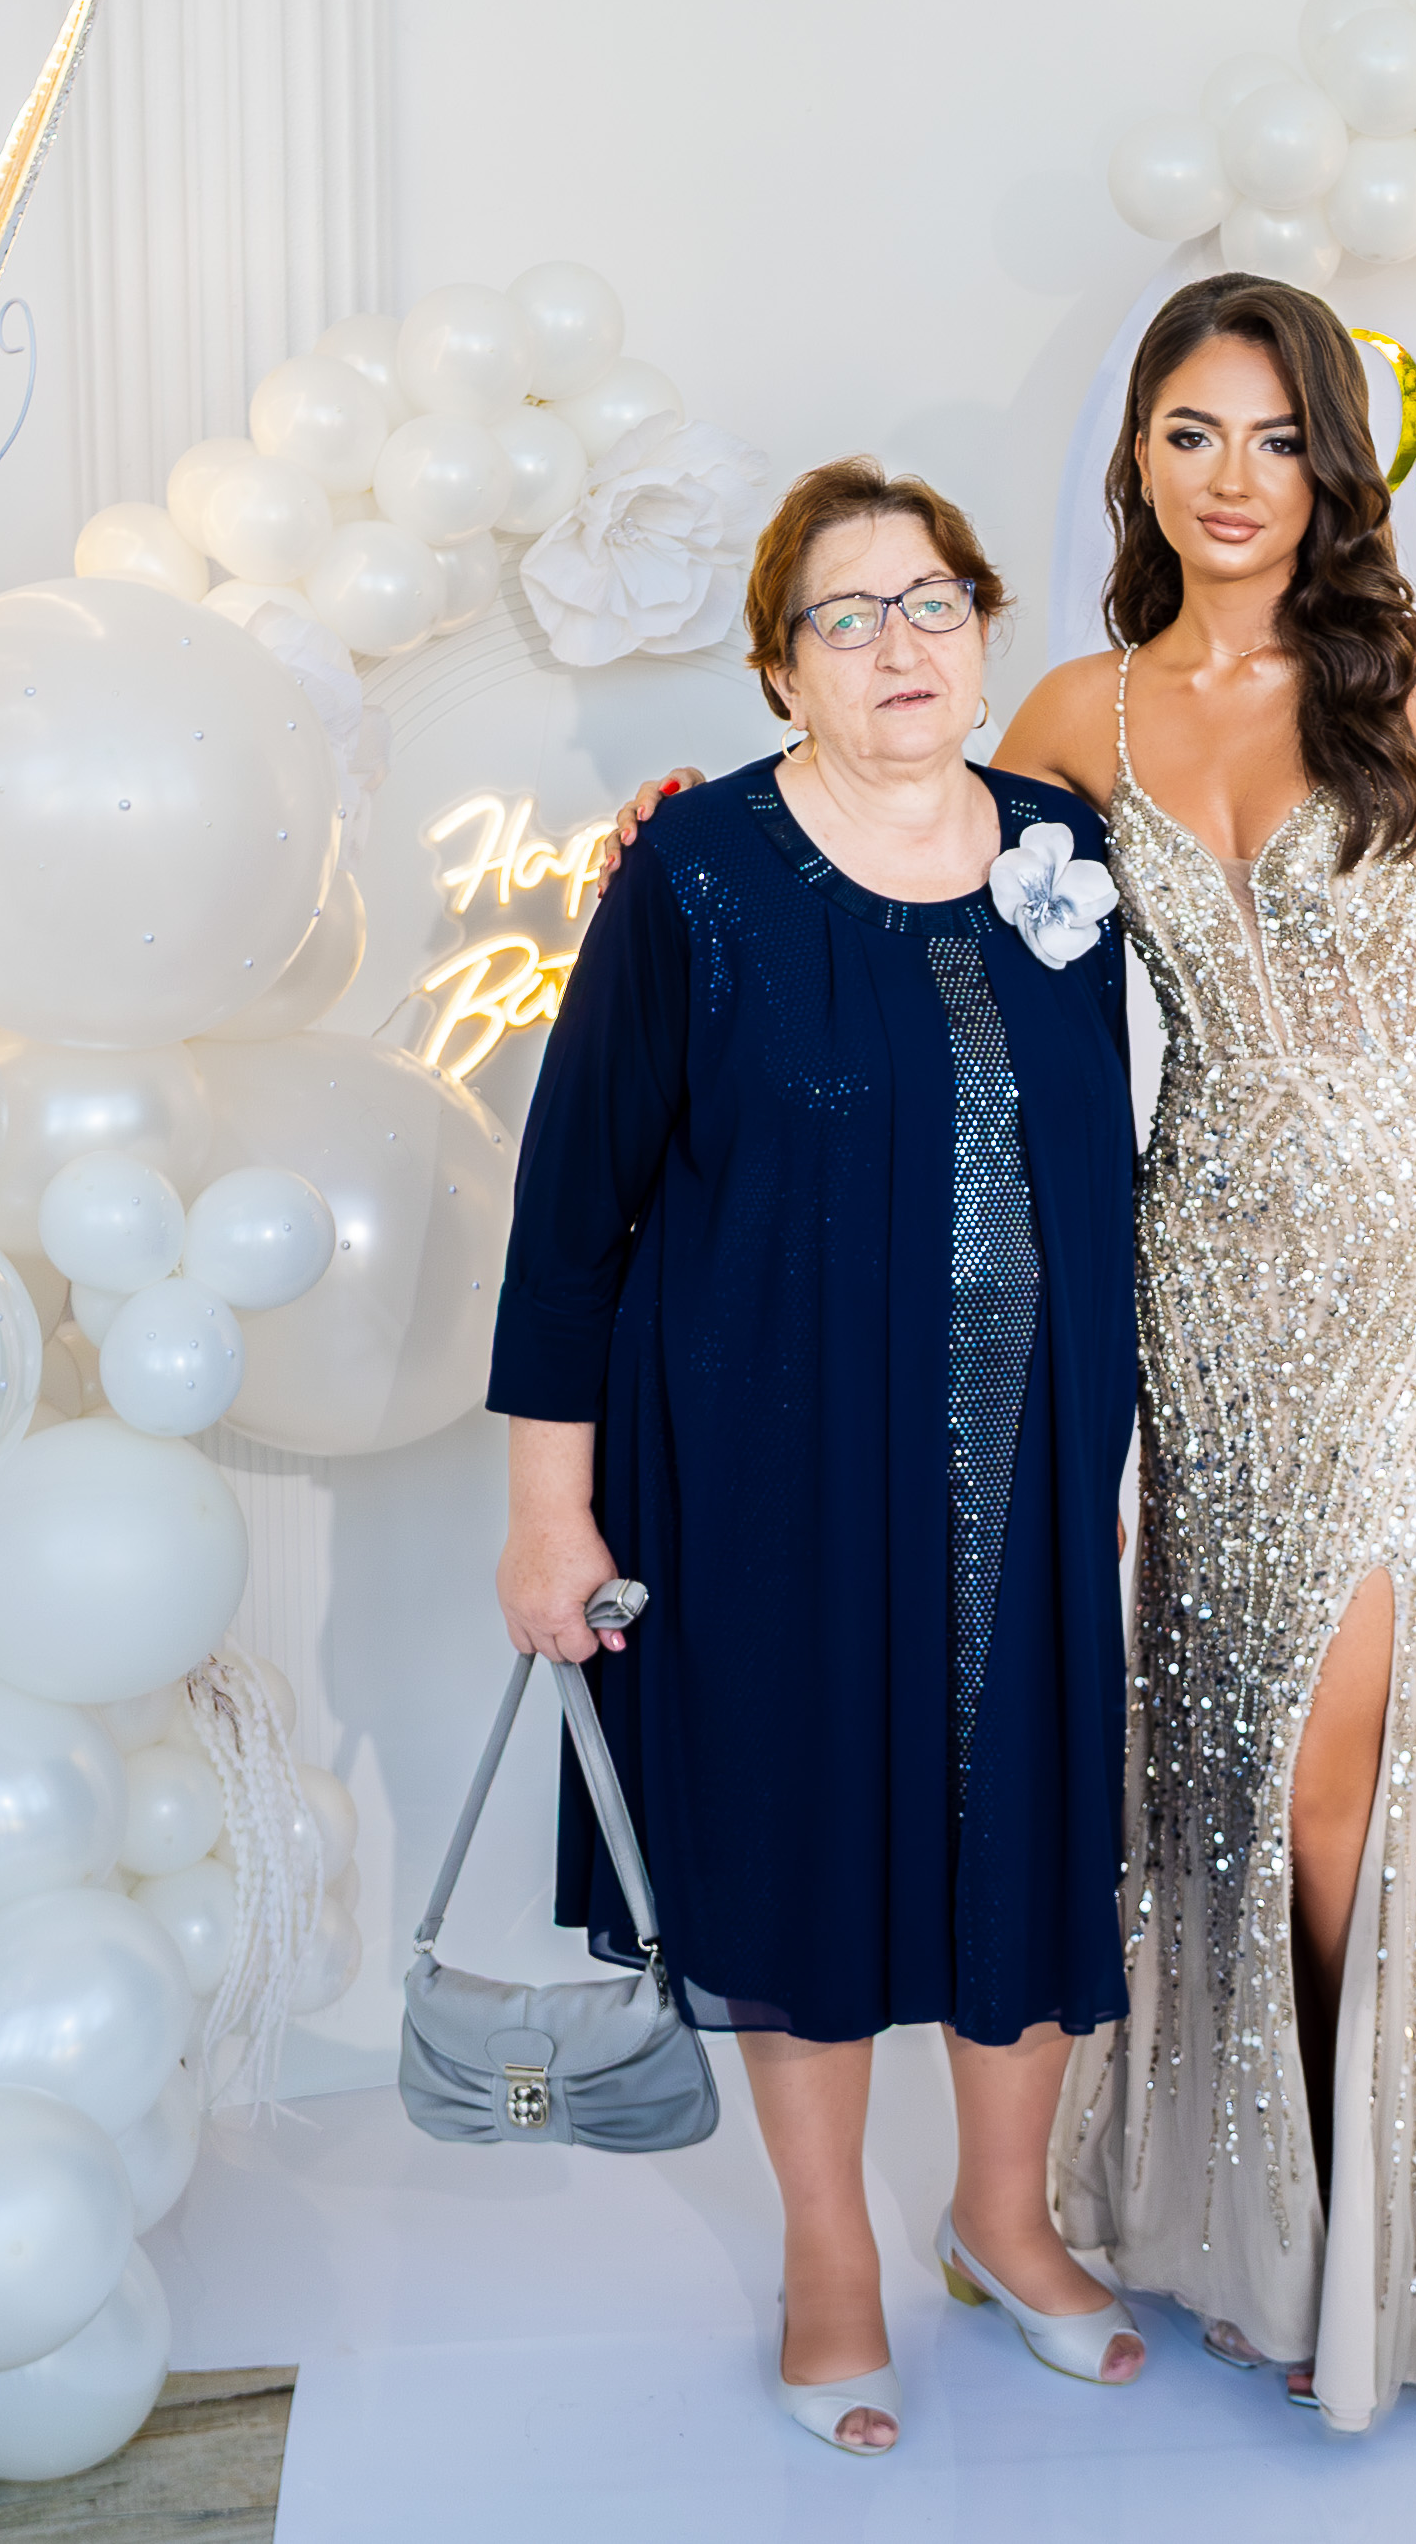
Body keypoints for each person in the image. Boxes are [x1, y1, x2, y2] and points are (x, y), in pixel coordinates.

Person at [486, 458, 1148, 2457]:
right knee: (807, 1846)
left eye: (931, 601)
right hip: (770, 1476)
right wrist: (547, 1509)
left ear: (984, 631)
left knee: (1025, 1832)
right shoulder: (699, 870)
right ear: (781, 670)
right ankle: (829, 2254)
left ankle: (1003, 2220)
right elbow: (571, 1209)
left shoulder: (1065, 848)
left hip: (1030, 1473)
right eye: (844, 618)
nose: (897, 645)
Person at [1002, 271, 1416, 2448]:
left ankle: (1373, 2248)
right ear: (1139, 456)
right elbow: (904, 885)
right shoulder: (1078, 714)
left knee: (1339, 1769)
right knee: (1221, 1749)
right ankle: (1257, 2223)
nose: (1233, 479)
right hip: (1210, 1277)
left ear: (1330, 460)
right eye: (1193, 434)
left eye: (1273, 438)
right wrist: (693, 833)